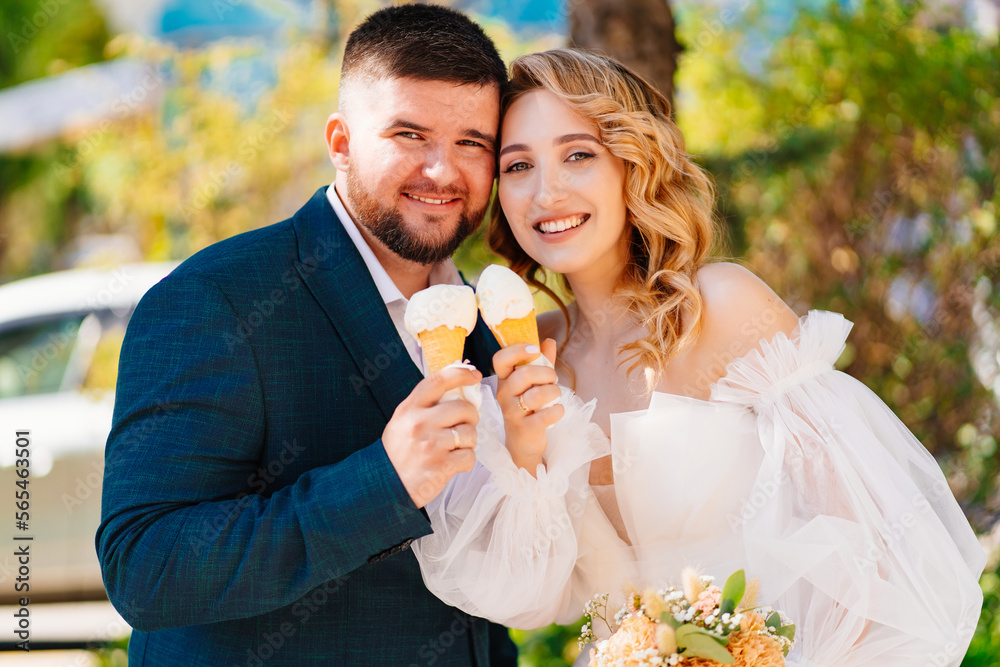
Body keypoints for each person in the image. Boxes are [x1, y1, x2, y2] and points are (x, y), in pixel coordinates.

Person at [411, 48, 986, 666]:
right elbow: (525, 597)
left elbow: (877, 565)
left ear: (634, 164)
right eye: (519, 166)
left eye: (578, 154)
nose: (546, 192)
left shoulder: (723, 306)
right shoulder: (527, 356)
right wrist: (525, 453)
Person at [96, 5, 518, 665]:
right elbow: (147, 566)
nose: (443, 171)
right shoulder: (217, 299)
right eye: (410, 135)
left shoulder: (482, 317)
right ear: (342, 142)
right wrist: (385, 481)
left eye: (472, 142)